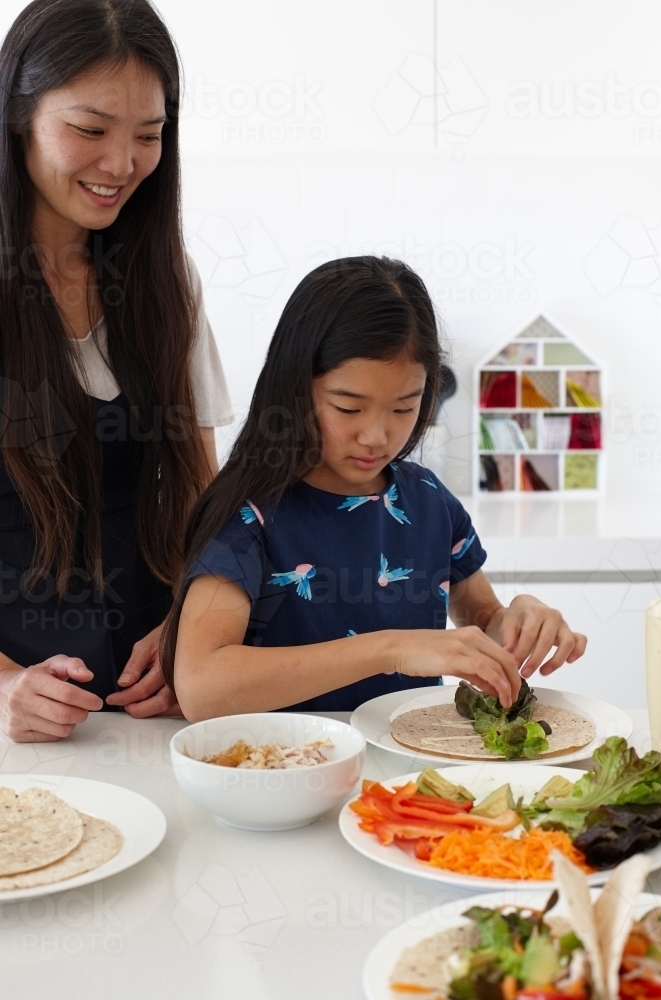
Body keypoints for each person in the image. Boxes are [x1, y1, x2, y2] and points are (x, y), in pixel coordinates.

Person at [161, 257, 586, 719]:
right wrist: (392, 649)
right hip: (287, 775)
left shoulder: (427, 499)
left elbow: (482, 619)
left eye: (404, 408)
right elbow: (201, 686)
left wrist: (519, 619)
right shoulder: (249, 516)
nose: (377, 436)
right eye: (348, 408)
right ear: (295, 389)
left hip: (410, 776)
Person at [0, 0, 233, 742]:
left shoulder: (166, 280)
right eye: (91, 130)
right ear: (17, 114)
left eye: (149, 135)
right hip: (18, 721)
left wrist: (187, 631)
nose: (122, 164)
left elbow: (202, 487)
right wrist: (6, 689)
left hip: (151, 708)